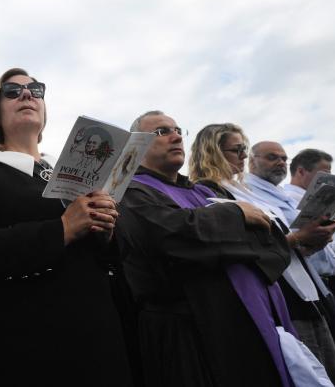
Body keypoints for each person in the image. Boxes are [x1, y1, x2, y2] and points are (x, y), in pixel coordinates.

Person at [0, 68, 132, 387]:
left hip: (97, 335)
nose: (27, 95)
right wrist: (62, 229)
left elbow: (109, 258)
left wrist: (106, 232)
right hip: (26, 344)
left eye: (36, 90)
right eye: (12, 91)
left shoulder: (76, 173)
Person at [117, 112, 315, 387]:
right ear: (134, 145)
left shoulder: (207, 193)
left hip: (251, 316)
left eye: (177, 130)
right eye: (161, 132)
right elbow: (172, 237)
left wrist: (220, 241)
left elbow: (270, 242)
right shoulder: (128, 192)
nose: (176, 136)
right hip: (191, 330)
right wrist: (236, 219)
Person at [188, 125, 335, 386]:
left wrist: (311, 241)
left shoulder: (246, 191)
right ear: (213, 150)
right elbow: (243, 248)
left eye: (244, 149)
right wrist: (298, 239)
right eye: (236, 149)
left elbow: (275, 238)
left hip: (302, 289)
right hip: (277, 294)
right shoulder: (207, 192)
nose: (243, 156)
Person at [241, 141, 335, 385]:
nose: (280, 162)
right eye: (271, 157)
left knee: (332, 363)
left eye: (283, 158)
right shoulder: (247, 192)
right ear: (252, 161)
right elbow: (269, 243)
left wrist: (314, 242)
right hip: (289, 293)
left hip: (316, 286)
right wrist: (301, 239)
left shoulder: (278, 194)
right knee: (313, 366)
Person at [284, 149, 335, 371]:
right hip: (323, 280)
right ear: (301, 171)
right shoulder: (290, 201)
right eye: (324, 173)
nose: (331, 179)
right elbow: (317, 243)